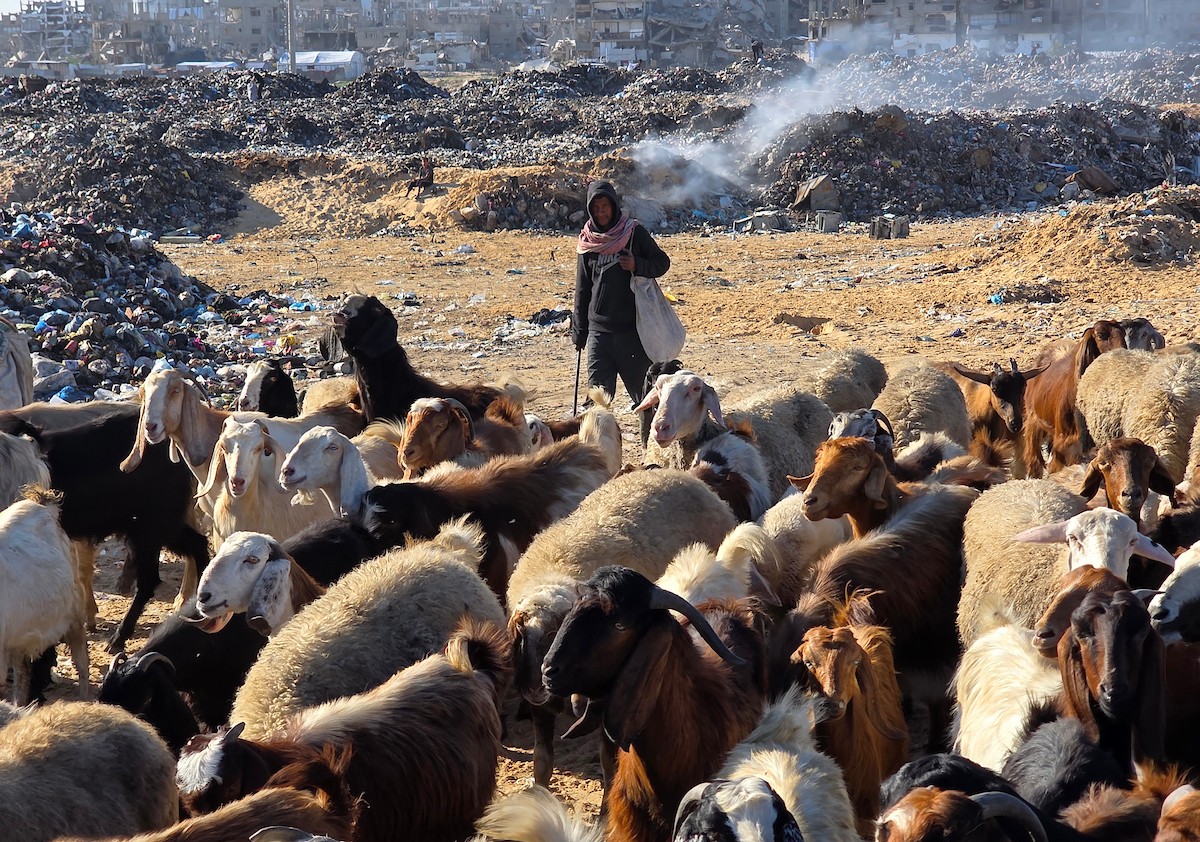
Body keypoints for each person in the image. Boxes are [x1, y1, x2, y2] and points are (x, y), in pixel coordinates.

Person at [572, 180, 671, 419]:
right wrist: (579, 330)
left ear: (614, 206)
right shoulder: (588, 241)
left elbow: (662, 262)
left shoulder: (634, 233)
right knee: (596, 404)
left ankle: (650, 450)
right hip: (599, 334)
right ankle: (596, 454)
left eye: (605, 206)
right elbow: (582, 288)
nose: (601, 212)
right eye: (595, 208)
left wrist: (637, 265)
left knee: (646, 400)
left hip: (631, 333)